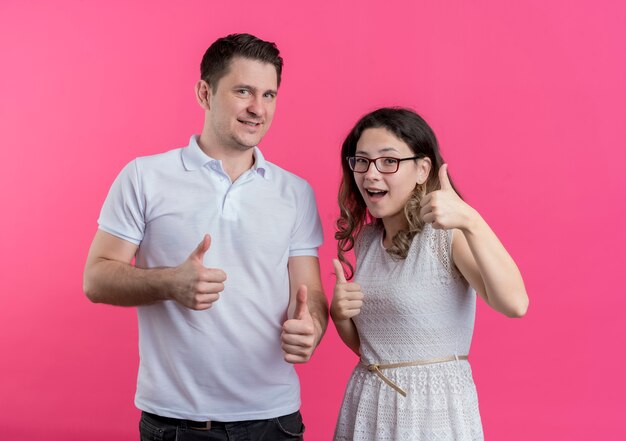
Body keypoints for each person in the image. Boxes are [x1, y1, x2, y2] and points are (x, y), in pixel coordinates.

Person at [83, 33, 328, 440]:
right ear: (204, 92)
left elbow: (311, 293)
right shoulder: (145, 177)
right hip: (178, 423)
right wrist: (169, 283)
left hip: (275, 421)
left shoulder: (295, 192)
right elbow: (96, 279)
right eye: (244, 91)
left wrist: (312, 328)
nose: (257, 108)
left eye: (269, 95)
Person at [331, 107, 528, 440]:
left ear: (422, 169)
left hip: (432, 410)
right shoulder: (365, 241)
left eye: (388, 161)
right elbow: (375, 350)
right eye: (361, 161)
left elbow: (515, 304)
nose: (370, 174)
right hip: (368, 403)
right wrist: (339, 316)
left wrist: (470, 219)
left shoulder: (445, 236)